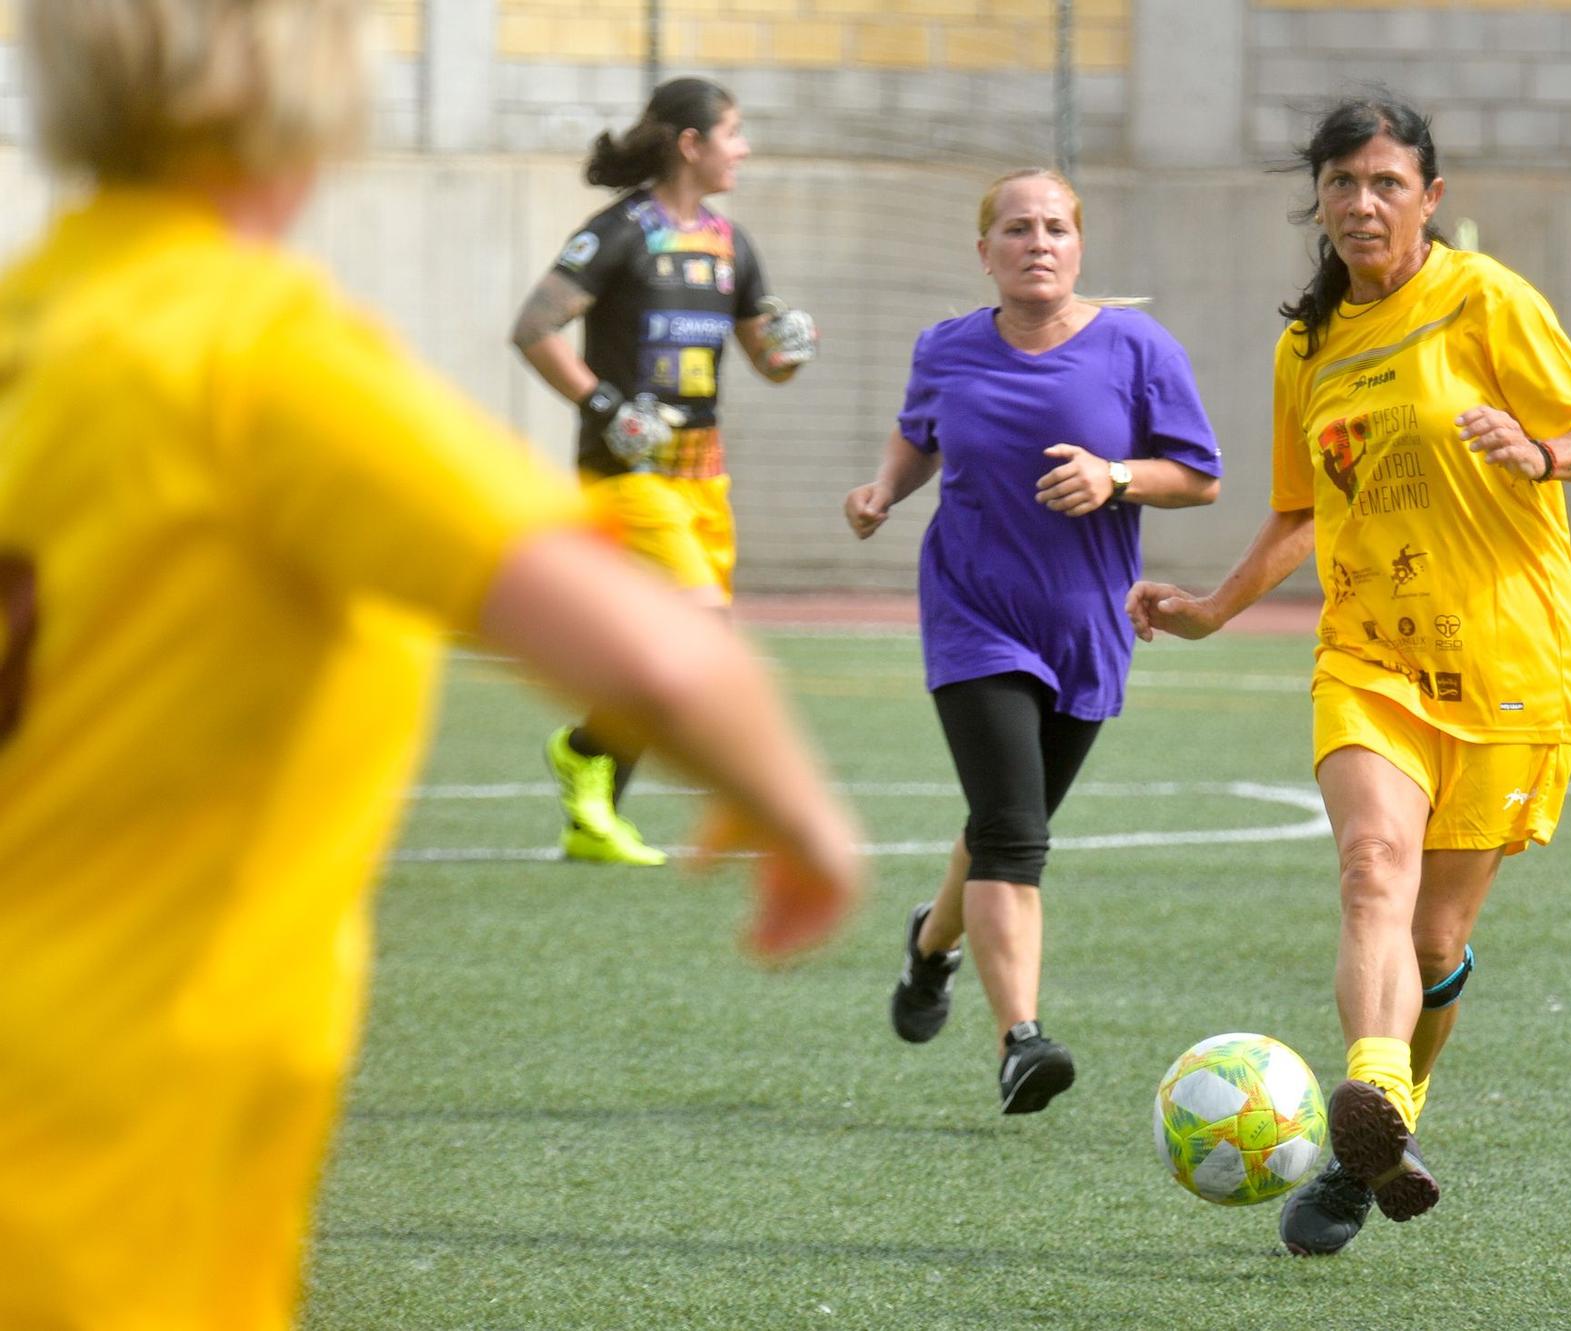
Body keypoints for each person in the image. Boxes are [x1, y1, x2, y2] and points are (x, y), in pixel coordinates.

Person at [0, 3, 859, 1326]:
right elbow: (663, 658)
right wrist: (801, 817)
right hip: (109, 1136)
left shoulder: (35, 325)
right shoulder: (258, 359)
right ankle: (594, 773)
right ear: (309, 97)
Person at [1127, 94, 1571, 1253]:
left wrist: (1540, 449)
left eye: (1386, 184)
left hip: (1509, 664)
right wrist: (1209, 609)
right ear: (1315, 197)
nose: (1362, 203)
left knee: (1433, 942)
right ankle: (1368, 1090)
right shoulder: (1303, 348)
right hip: (1367, 656)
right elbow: (1300, 513)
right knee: (1370, 868)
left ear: (1429, 198)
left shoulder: (1483, 298)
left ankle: (1368, 1153)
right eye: (1343, 183)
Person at [843, 168, 1223, 1115]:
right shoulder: (948, 347)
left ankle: (932, 942)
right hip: (972, 615)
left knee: (1000, 824)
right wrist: (886, 487)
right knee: (1016, 833)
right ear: (986, 253)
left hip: (1085, 625)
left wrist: (1115, 474)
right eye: (1017, 229)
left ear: (1080, 245)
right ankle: (1022, 1038)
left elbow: (1199, 476)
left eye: (1056, 227)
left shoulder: (1137, 347)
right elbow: (918, 431)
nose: (1038, 242)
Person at [511, 75, 819, 866]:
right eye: (734, 132)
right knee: (699, 633)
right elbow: (535, 327)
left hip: (704, 479)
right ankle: (727, 792)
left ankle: (593, 795)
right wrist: (607, 404)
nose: (744, 148)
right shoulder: (620, 232)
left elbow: (764, 358)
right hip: (628, 474)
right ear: (692, 144)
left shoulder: (728, 244)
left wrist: (788, 350)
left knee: (660, 654)